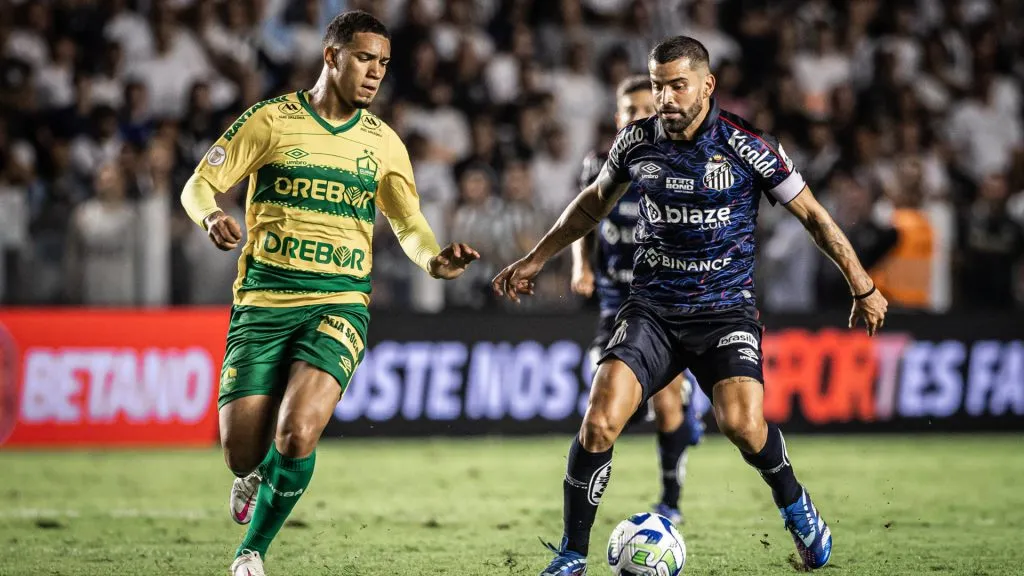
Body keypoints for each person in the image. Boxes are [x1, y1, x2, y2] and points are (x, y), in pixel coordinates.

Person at [492, 36, 887, 575]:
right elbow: (591, 203)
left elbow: (815, 217)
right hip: (652, 309)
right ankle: (571, 555)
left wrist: (862, 285)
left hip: (725, 311)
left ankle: (799, 510)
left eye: (678, 85)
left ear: (707, 84)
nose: (666, 98)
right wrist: (538, 259)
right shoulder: (636, 142)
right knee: (599, 423)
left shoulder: (748, 146)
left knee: (743, 426)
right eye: (658, 86)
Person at [179, 11, 479, 576]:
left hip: (339, 303)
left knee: (297, 433)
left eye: (384, 64)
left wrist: (434, 260)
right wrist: (211, 215)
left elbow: (408, 223)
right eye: (365, 58)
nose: (375, 73)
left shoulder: (385, 143)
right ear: (331, 56)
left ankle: (251, 555)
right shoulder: (270, 121)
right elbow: (198, 183)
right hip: (263, 305)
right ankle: (254, 471)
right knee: (241, 452)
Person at [570, 75, 703, 525]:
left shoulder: (677, 165)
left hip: (662, 303)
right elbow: (584, 219)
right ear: (617, 117)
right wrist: (580, 266)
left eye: (647, 109)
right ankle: (687, 417)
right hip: (615, 305)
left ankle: (671, 498)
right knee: (609, 410)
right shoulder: (597, 165)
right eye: (630, 110)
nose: (638, 117)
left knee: (664, 403)